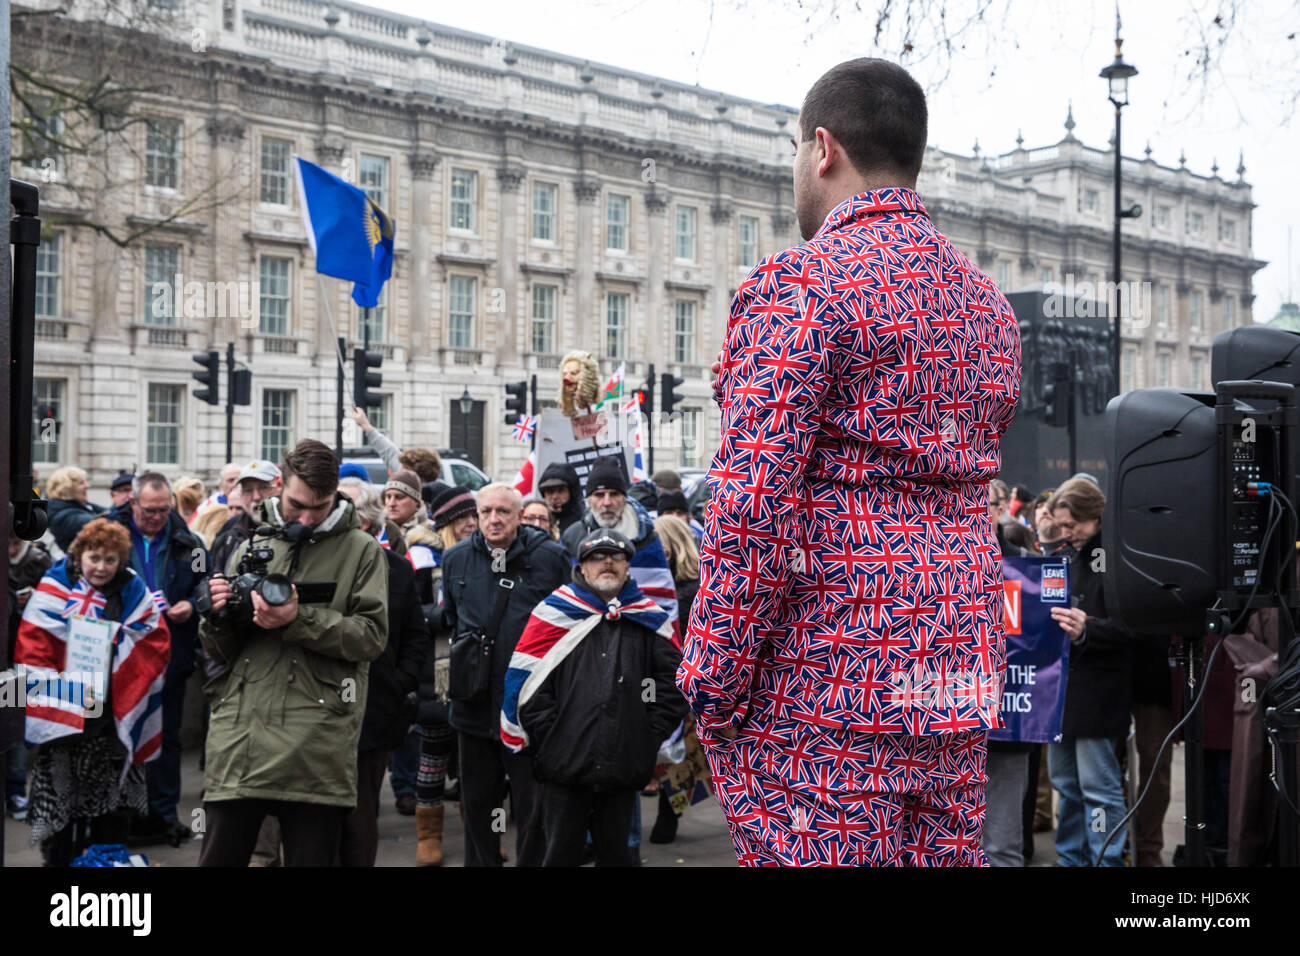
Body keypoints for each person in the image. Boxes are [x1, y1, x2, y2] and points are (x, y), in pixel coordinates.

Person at [678, 59, 1021, 867]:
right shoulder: (987, 306)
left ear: (822, 148)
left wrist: (712, 679)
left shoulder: (802, 283)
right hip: (954, 670)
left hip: (827, 680)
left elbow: (753, 501)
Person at [197, 439, 388, 867]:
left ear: (336, 493)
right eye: (296, 505)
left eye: (318, 508)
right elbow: (220, 653)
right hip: (241, 737)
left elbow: (371, 638)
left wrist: (298, 619)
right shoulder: (248, 546)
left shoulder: (362, 551)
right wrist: (216, 615)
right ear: (279, 486)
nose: (305, 519)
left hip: (315, 744)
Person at [502, 529, 686, 867]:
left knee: (618, 856)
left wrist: (648, 733)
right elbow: (530, 683)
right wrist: (552, 735)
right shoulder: (555, 613)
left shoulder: (648, 618)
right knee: (559, 855)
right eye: (597, 557)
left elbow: (671, 685)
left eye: (616, 557)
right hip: (564, 764)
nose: (607, 563)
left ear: (628, 565)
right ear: (582, 566)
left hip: (624, 763)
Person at [16, 518, 170, 865]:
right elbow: (34, 646)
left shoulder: (132, 589)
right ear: (80, 554)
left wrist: (114, 640)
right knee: (60, 813)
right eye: (94, 558)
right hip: (65, 725)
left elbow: (153, 639)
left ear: (121, 561)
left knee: (111, 813)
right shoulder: (55, 586)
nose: (101, 567)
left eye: (110, 560)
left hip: (111, 725)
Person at [441, 483, 570, 866]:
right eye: (486, 512)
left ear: (519, 516)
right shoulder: (456, 559)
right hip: (474, 706)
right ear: (476, 515)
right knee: (478, 805)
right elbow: (452, 619)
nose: (494, 520)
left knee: (534, 809)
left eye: (503, 512)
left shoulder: (550, 558)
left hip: (530, 707)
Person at [107, 472, 208, 847]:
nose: (156, 517)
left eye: (164, 510)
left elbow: (206, 583)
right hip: (121, 657)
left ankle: (164, 815)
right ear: (132, 503)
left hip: (171, 655)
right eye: (149, 510)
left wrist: (191, 604)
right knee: (119, 738)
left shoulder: (190, 542)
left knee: (168, 738)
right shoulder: (107, 535)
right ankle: (119, 816)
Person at [337, 479, 430, 866]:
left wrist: (399, 684)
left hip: (373, 711)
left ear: (372, 524)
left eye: (352, 518)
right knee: (314, 820)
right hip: (316, 710)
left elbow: (415, 635)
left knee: (361, 815)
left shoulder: (397, 570)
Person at [1044, 478, 1132, 867]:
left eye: (1072, 525)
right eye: (1062, 525)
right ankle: (1074, 859)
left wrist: (1088, 629)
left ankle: (1103, 860)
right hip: (1066, 697)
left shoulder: (1118, 560)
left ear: (1095, 517)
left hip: (1096, 695)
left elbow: (1136, 630)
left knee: (1097, 789)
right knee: (1068, 785)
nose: (1066, 533)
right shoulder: (1073, 555)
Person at [411, 481, 479, 864]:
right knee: (433, 756)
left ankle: (481, 834)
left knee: (477, 764)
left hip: (476, 673)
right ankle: (428, 836)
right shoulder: (423, 558)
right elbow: (411, 613)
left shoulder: (485, 556)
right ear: (446, 523)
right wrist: (445, 617)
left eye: (474, 515)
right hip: (436, 674)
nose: (471, 523)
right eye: (463, 517)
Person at [560, 457, 679, 632]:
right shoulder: (573, 536)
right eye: (599, 495)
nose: (607, 502)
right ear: (589, 500)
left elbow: (664, 601)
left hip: (637, 636)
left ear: (624, 498)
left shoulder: (648, 538)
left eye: (613, 494)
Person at [650, 514, 702, 844]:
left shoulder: (681, 590)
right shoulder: (694, 584)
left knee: (677, 751)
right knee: (676, 752)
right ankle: (670, 814)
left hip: (676, 680)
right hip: (675, 679)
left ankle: (668, 816)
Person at [6, 535, 53, 821]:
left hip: (23, 657)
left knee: (17, 724)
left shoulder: (38, 560)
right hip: (8, 653)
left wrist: (32, 599)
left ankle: (15, 790)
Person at [209, 460, 283, 577]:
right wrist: (211, 587)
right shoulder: (229, 531)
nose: (256, 497)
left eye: (264, 488)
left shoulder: (297, 527)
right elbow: (203, 570)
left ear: (280, 487)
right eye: (248, 490)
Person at [349, 406, 443, 483]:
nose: (399, 470)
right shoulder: (401, 471)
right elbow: (388, 450)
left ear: (420, 479)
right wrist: (365, 424)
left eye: (405, 468)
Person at [46, 466, 108, 553]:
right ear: (67, 489)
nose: (88, 485)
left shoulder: (82, 505)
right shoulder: (64, 517)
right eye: (81, 483)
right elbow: (105, 523)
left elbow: (109, 512)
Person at [537, 462, 585, 535]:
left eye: (561, 491)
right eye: (550, 491)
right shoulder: (536, 521)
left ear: (572, 493)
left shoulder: (584, 522)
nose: (555, 497)